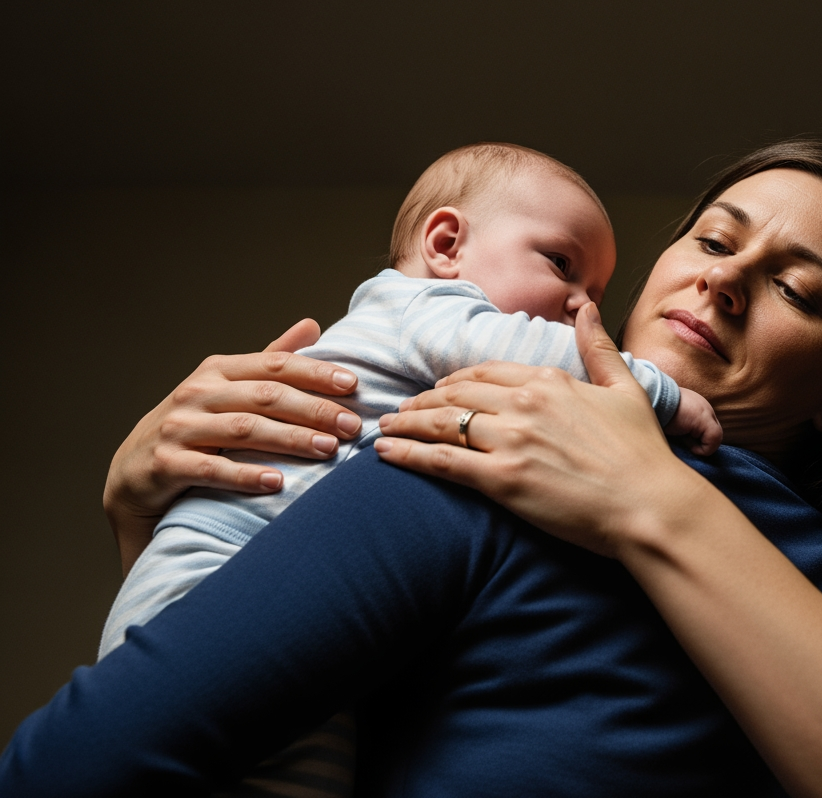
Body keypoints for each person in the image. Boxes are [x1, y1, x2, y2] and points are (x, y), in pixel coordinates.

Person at [2, 140, 822, 797]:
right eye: (712, 236)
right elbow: (83, 768)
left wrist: (658, 504)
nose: (725, 276)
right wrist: (169, 524)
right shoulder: (475, 448)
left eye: (797, 288)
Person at [99, 143, 715, 661]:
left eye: (597, 294)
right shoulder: (424, 308)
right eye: (562, 264)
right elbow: (535, 352)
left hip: (291, 584)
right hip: (217, 557)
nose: (583, 308)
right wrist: (662, 393)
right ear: (446, 245)